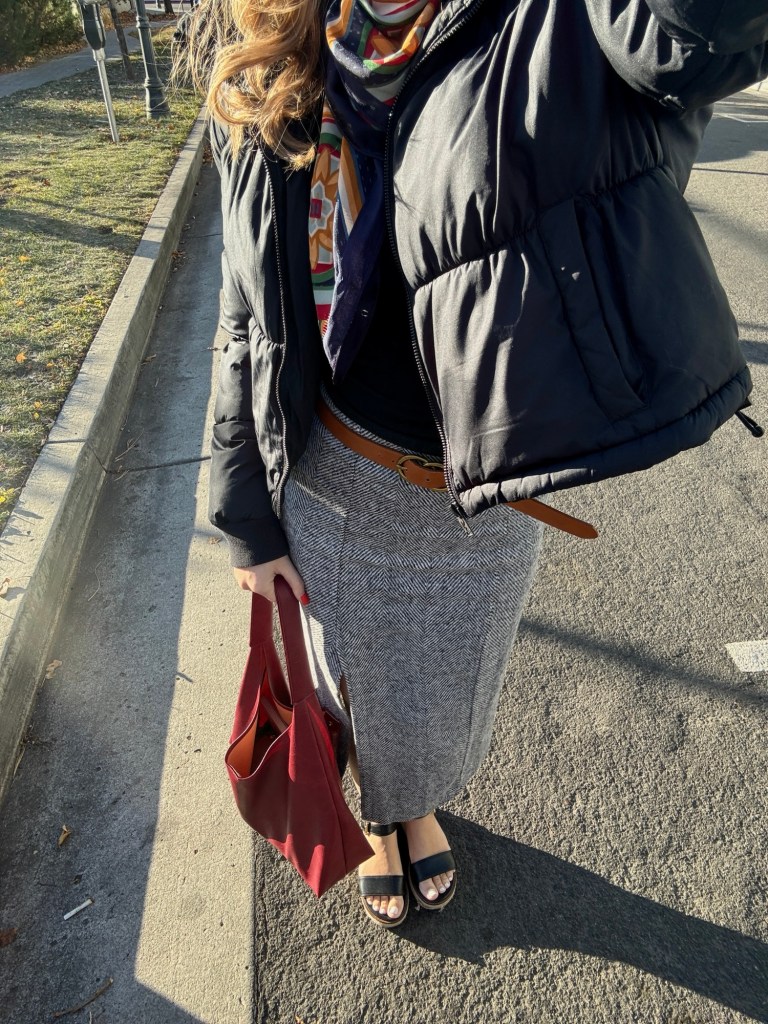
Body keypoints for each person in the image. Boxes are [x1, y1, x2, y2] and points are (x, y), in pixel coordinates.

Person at [184, 1, 767, 928]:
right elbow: (246, 311)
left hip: (485, 484)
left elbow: (689, 37)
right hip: (337, 480)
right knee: (356, 684)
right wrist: (243, 514)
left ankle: (414, 799)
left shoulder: (550, 20)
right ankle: (384, 812)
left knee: (450, 690)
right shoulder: (271, 50)